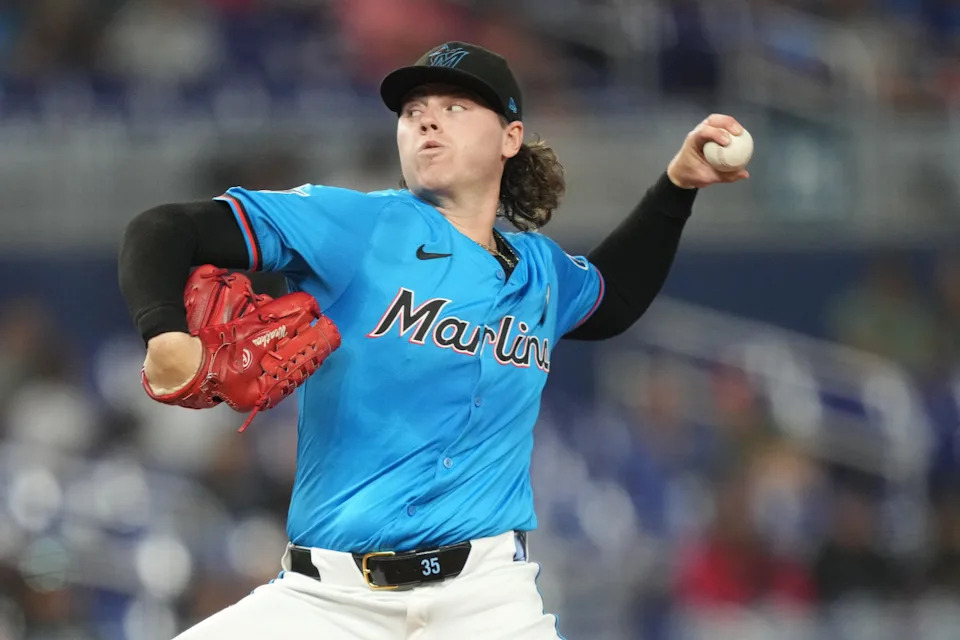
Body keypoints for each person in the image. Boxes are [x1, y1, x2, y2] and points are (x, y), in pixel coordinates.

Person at [118, 41, 748, 639]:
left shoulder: (542, 271)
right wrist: (164, 334)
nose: (427, 122)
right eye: (413, 111)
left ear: (510, 136)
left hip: (489, 601)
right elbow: (163, 229)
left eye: (454, 107)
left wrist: (678, 185)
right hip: (329, 599)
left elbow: (615, 299)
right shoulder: (356, 224)